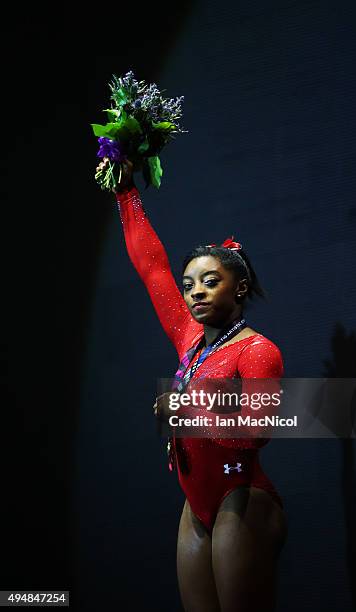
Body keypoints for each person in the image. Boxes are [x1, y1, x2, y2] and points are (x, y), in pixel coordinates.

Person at [110, 157, 288, 612]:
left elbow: (256, 432)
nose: (196, 293)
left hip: (241, 499)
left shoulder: (258, 351)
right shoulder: (191, 340)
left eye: (210, 282)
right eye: (190, 286)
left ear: (240, 287)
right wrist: (125, 191)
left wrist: (187, 411)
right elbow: (152, 271)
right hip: (196, 506)